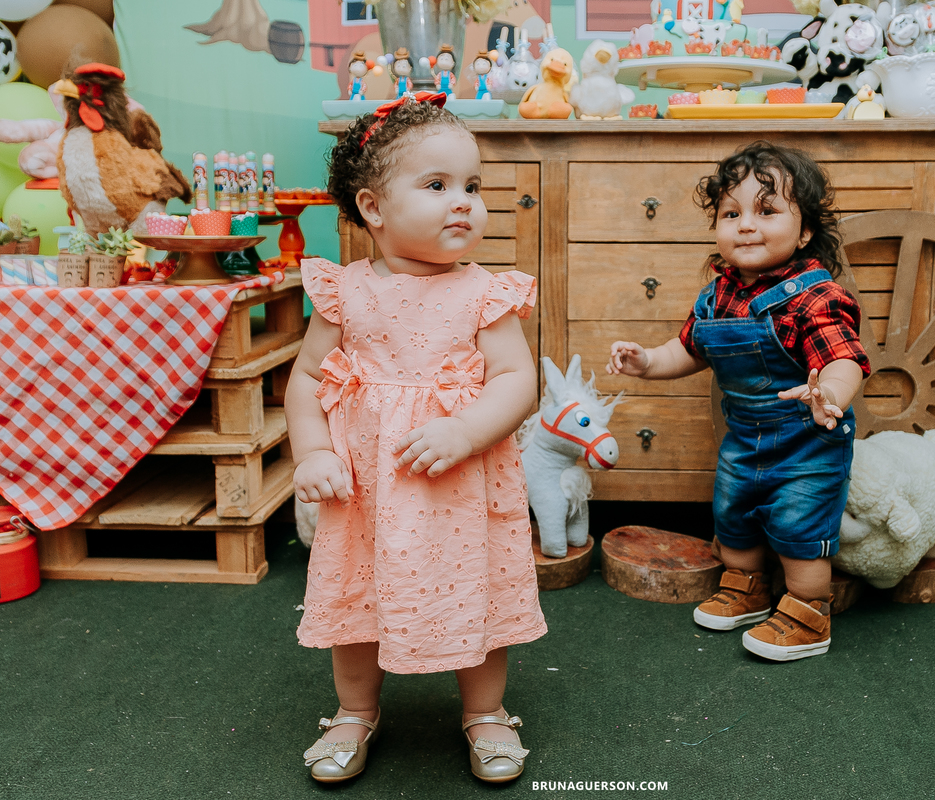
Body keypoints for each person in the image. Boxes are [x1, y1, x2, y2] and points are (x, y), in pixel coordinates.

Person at [285, 93, 546, 784]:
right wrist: (311, 450)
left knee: (478, 597)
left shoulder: (484, 294)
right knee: (355, 602)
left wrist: (466, 428)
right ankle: (353, 711)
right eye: (437, 186)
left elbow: (518, 381)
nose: (463, 202)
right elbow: (308, 379)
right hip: (367, 492)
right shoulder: (346, 292)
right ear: (373, 207)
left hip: (459, 488)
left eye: (472, 186)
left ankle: (486, 713)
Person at [607, 141, 870, 662]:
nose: (746, 224)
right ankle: (747, 588)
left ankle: (810, 612)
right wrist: (647, 362)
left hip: (807, 440)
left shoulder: (815, 298)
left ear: (807, 231)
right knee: (734, 516)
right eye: (732, 213)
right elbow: (687, 349)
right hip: (744, 436)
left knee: (799, 527)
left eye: (766, 211)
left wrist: (830, 394)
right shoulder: (717, 296)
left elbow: (845, 359)